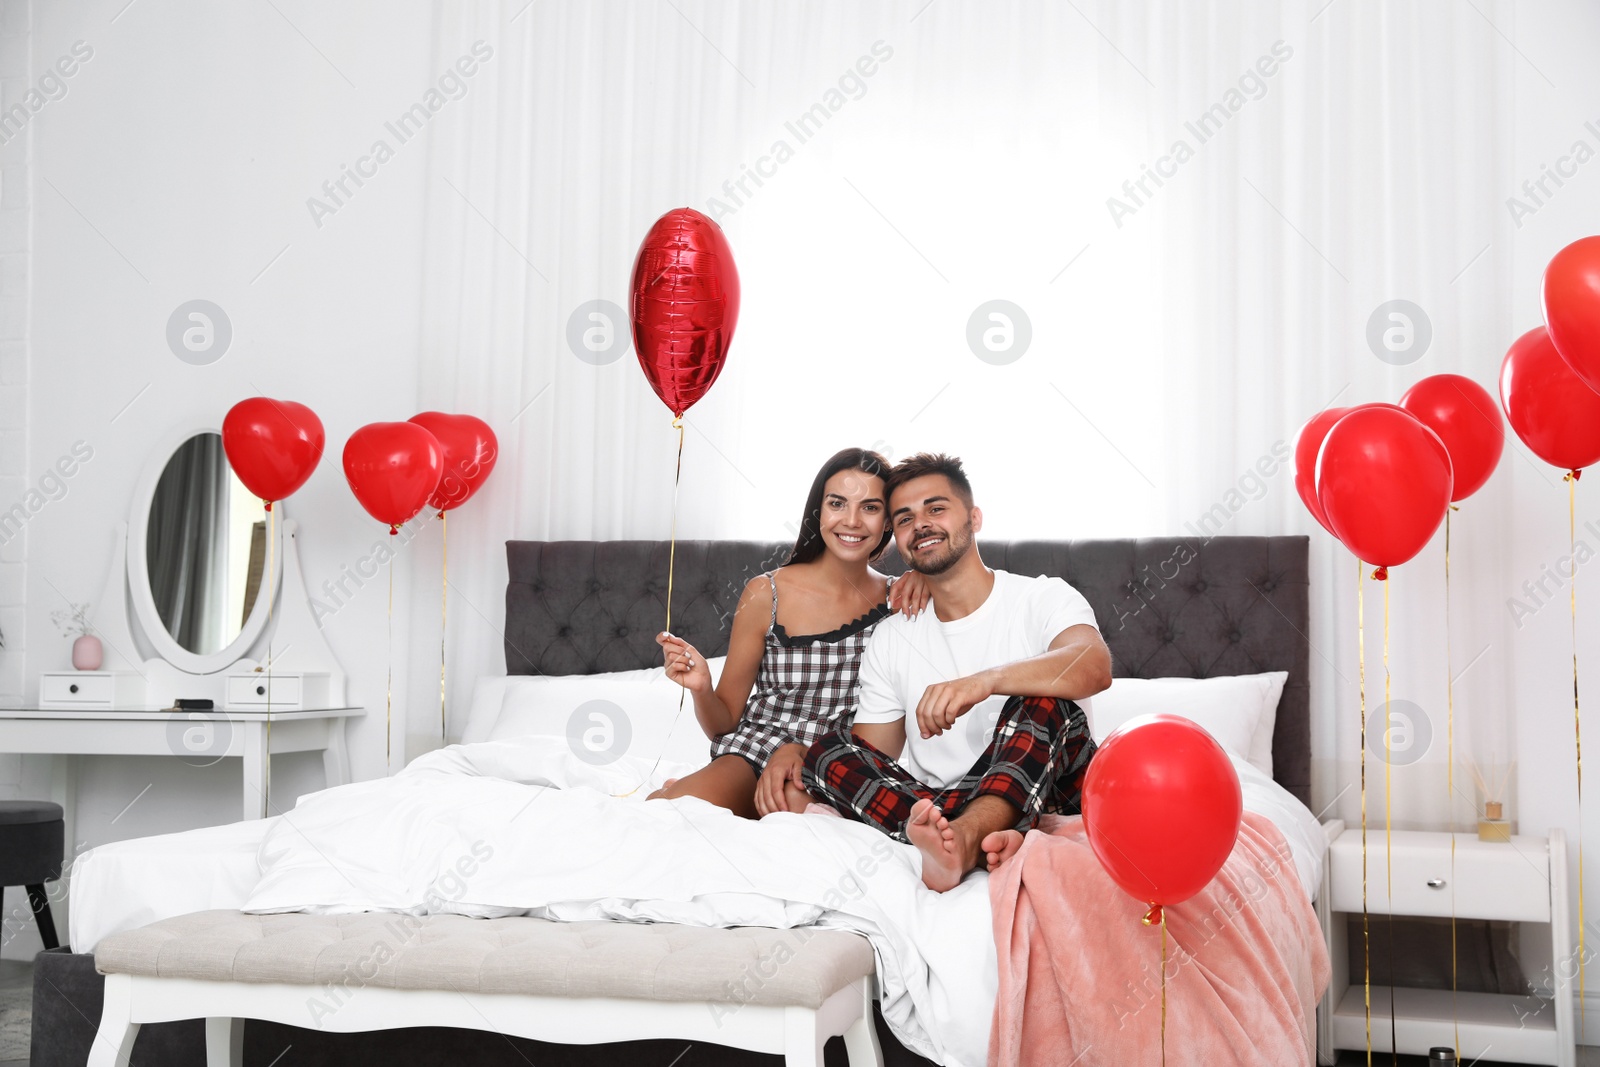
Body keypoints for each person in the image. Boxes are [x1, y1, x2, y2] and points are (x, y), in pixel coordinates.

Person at [800, 452, 1112, 892]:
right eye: (904, 519)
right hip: (940, 802)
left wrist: (983, 682)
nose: (921, 524)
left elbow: (1093, 665)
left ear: (975, 517)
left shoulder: (1041, 597)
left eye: (936, 508)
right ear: (897, 540)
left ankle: (964, 839)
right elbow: (876, 759)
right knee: (827, 754)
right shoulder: (892, 637)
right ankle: (974, 834)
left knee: (1043, 699)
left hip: (1055, 792)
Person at [648, 447, 930, 819]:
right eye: (837, 503)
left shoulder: (903, 599)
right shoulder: (766, 593)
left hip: (836, 769)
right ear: (819, 511)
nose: (852, 521)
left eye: (871, 507)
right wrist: (702, 687)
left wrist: (928, 575)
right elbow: (724, 723)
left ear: (889, 522)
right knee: (666, 816)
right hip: (756, 752)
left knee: (809, 836)